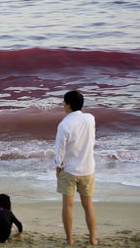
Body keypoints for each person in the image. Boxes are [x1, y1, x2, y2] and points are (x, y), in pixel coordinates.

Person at [54, 90, 98, 246]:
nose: (63, 105)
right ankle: (92, 238)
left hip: (70, 170)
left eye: (64, 102)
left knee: (68, 205)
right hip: (88, 169)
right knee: (88, 205)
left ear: (68, 104)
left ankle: (69, 239)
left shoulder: (64, 124)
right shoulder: (90, 118)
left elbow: (60, 149)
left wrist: (58, 167)